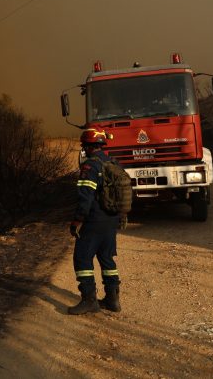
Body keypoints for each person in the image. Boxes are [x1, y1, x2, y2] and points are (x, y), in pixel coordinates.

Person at [68, 128, 125, 315]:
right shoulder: (113, 162)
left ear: (88, 146)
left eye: (84, 145)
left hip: (94, 221)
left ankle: (89, 300)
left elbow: (85, 198)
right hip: (111, 219)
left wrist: (77, 221)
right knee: (106, 258)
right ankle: (112, 300)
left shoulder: (90, 166)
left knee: (82, 258)